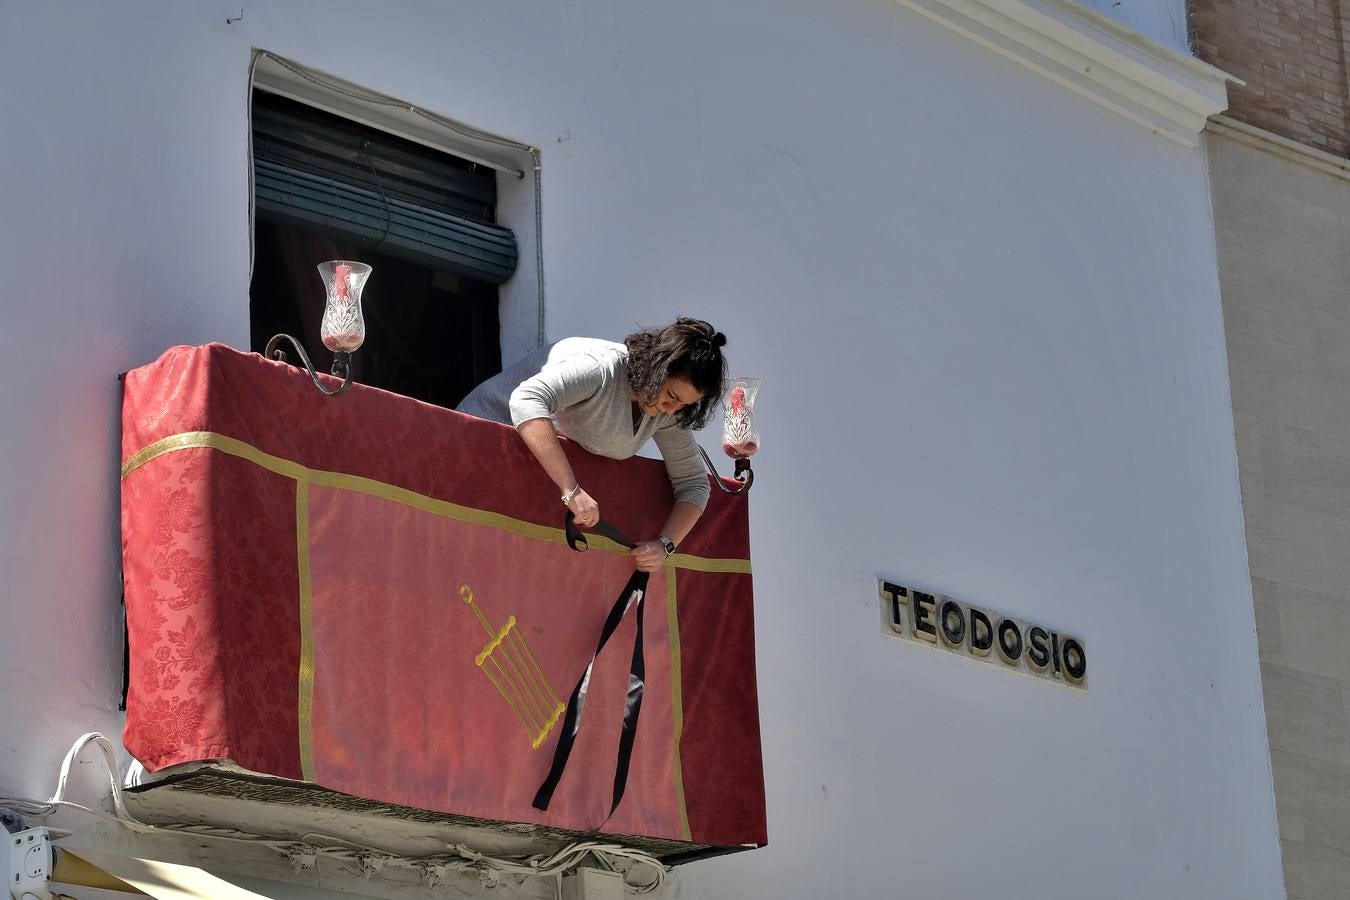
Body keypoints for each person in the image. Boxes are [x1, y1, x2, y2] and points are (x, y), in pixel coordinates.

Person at [457, 318, 727, 572]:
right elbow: (526, 401)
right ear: (656, 368)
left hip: (522, 478)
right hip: (476, 445)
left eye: (684, 404)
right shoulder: (600, 368)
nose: (673, 409)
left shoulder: (668, 412)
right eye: (671, 395)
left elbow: (694, 483)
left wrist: (665, 545)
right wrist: (571, 490)